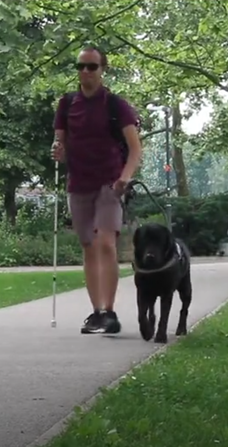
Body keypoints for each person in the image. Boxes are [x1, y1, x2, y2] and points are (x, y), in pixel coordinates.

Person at [51, 46, 142, 334]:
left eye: (92, 66)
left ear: (103, 69)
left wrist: (125, 178)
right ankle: (96, 313)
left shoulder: (116, 105)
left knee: (105, 243)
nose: (85, 72)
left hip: (109, 182)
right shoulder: (67, 104)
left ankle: (110, 312)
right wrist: (57, 151)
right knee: (89, 247)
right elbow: (61, 147)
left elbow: (135, 148)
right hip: (78, 183)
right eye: (81, 66)